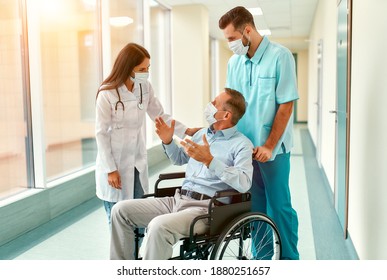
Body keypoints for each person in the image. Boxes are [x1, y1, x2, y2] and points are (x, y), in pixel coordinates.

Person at [109, 88, 254, 260]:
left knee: (158, 226)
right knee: (120, 210)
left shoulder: (241, 145)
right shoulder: (201, 134)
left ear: (226, 115)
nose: (210, 106)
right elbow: (178, 158)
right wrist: (168, 141)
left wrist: (210, 161)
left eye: (215, 103)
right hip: (178, 199)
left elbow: (244, 183)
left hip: (206, 209)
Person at [218, 6, 300, 260]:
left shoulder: (280, 56)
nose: (230, 44)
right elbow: (231, 104)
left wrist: (270, 146)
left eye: (232, 38)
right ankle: (262, 263)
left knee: (280, 208)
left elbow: (286, 104)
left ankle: (289, 261)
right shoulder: (234, 62)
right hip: (244, 151)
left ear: (248, 30)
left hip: (272, 151)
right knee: (254, 209)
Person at [95, 43, 196, 224]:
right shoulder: (107, 93)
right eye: (141, 69)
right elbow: (101, 134)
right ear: (128, 67)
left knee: (139, 217)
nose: (146, 72)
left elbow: (159, 115)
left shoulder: (144, 87)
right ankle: (124, 254)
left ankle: (137, 252)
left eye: (147, 68)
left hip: (136, 161)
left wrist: (185, 131)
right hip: (115, 163)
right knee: (117, 220)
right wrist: (110, 169)